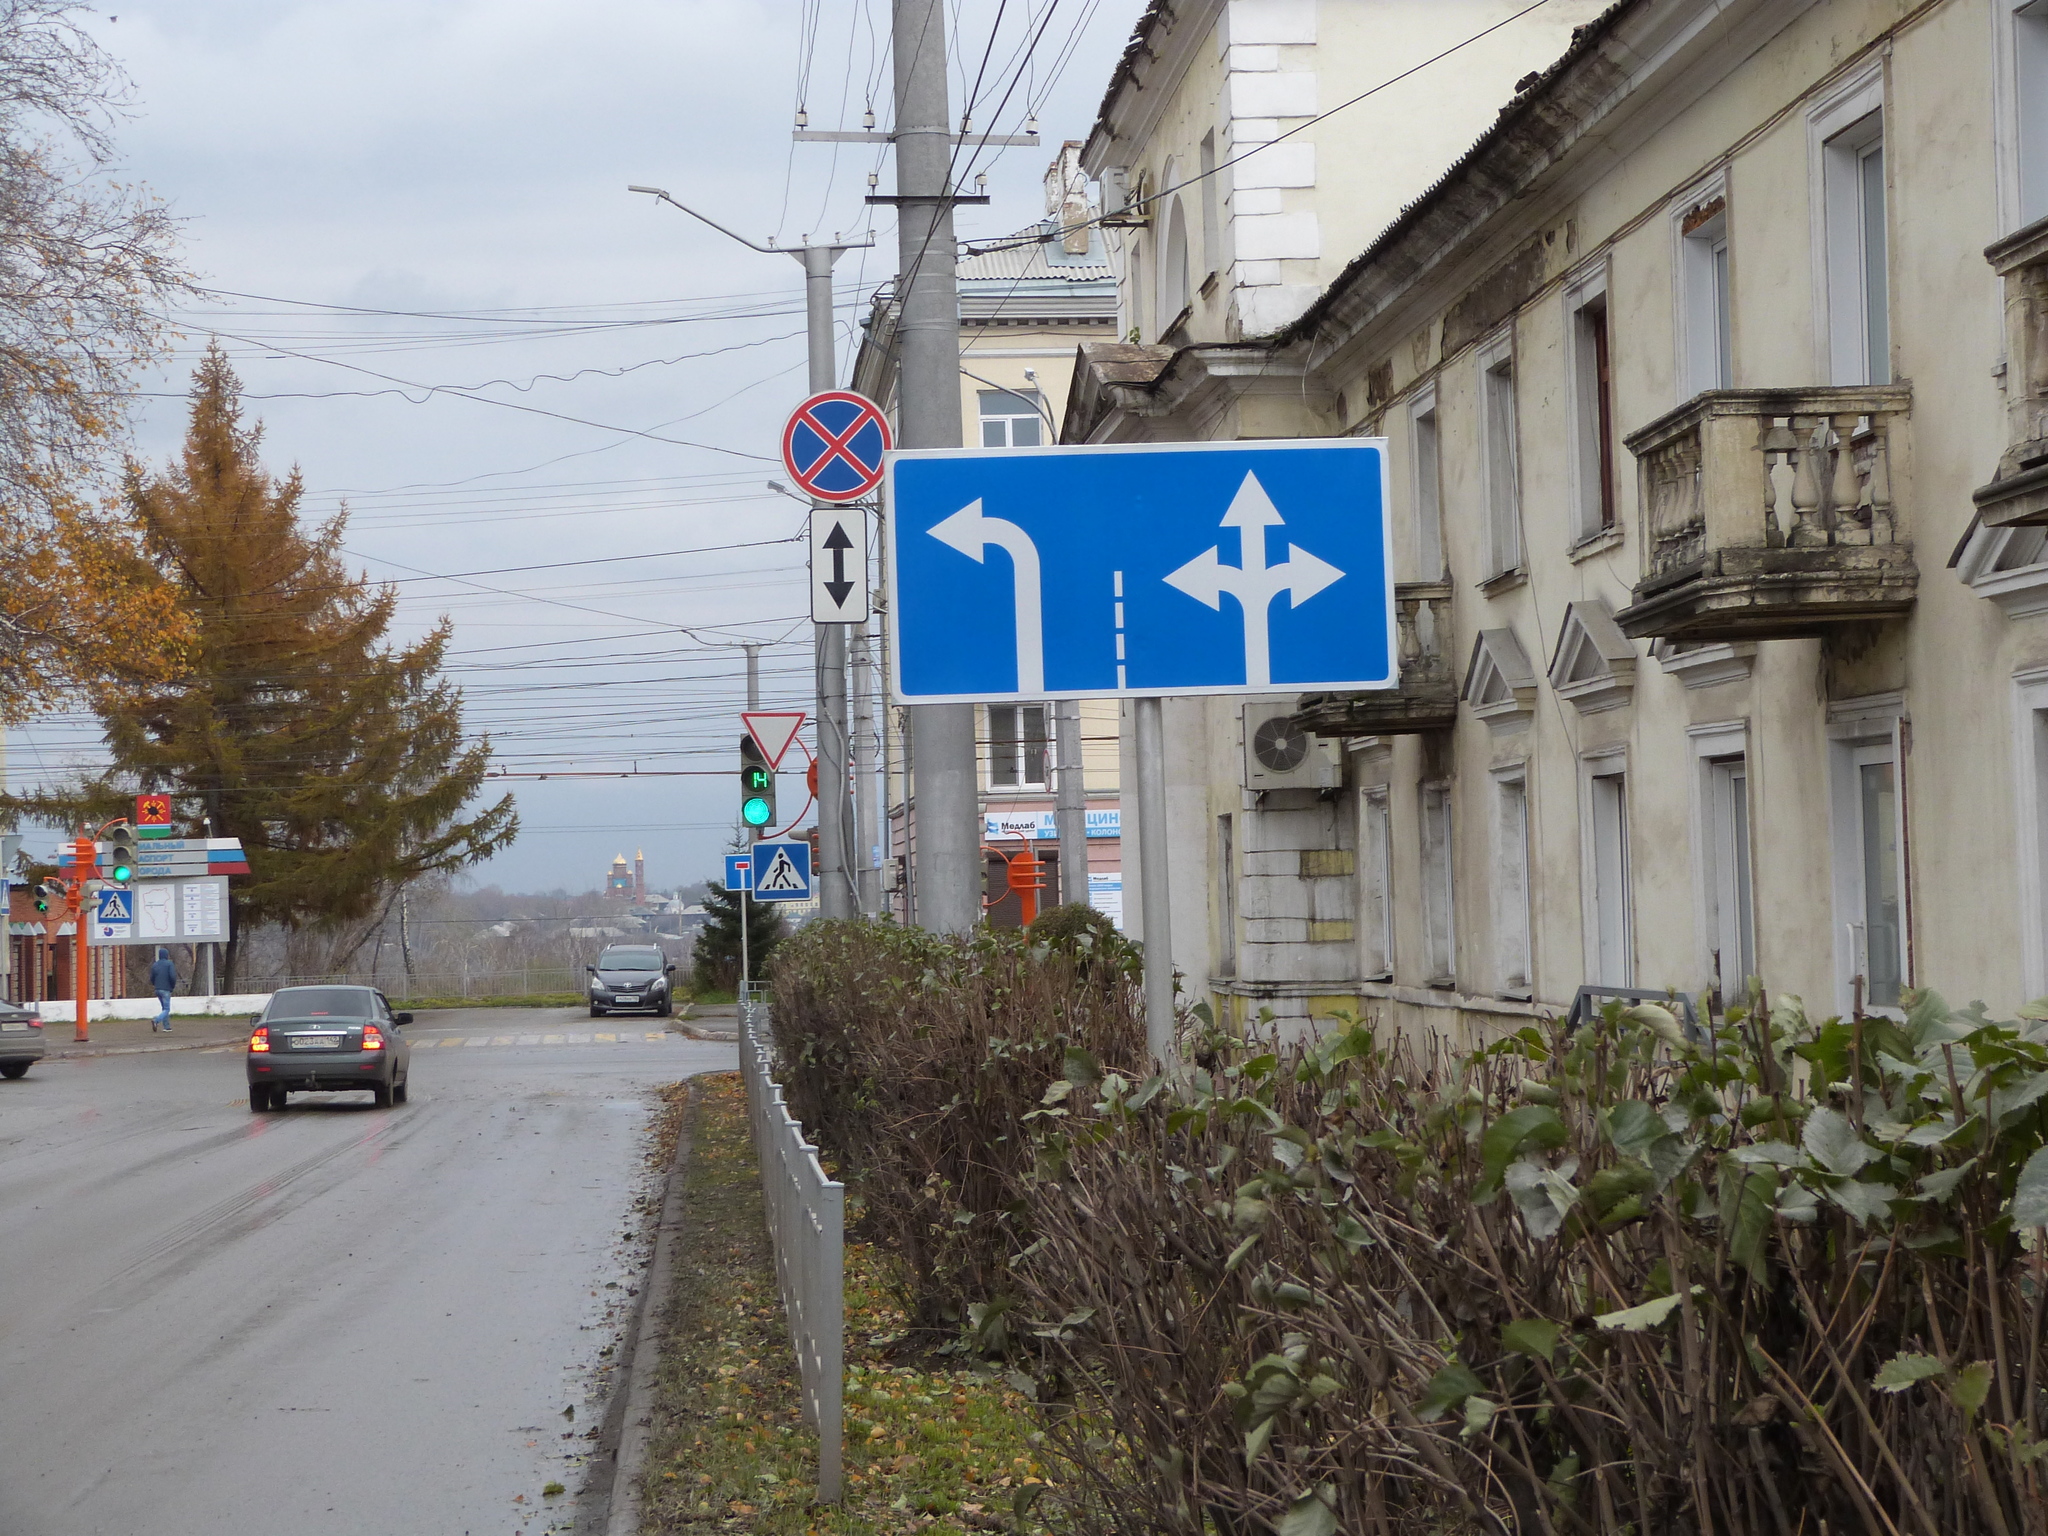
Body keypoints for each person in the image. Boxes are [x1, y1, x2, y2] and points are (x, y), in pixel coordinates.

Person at [148, 948, 177, 1033]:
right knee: (167, 1009)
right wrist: (172, 986)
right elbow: (172, 976)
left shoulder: (155, 964)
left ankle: (167, 1027)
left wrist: (156, 985)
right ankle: (156, 1020)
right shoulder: (169, 964)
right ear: (166, 955)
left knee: (164, 1008)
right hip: (166, 989)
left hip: (158, 989)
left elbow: (152, 978)